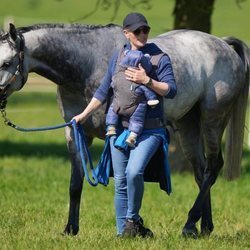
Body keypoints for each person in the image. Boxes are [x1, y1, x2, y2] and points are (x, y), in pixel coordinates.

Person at [73, 12, 177, 238]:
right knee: (119, 181)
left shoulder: (159, 57)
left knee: (133, 173)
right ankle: (124, 234)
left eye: (145, 30)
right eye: (137, 31)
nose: (142, 34)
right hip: (119, 130)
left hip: (151, 130)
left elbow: (171, 90)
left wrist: (147, 81)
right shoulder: (118, 56)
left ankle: (132, 220)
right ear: (126, 33)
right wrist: (82, 116)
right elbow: (103, 92)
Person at [105, 49, 159, 147]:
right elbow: (147, 91)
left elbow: (112, 84)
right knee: (137, 119)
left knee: (113, 109)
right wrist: (152, 99)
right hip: (135, 107)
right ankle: (133, 135)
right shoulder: (139, 83)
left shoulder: (119, 76)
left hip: (118, 104)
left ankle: (111, 127)